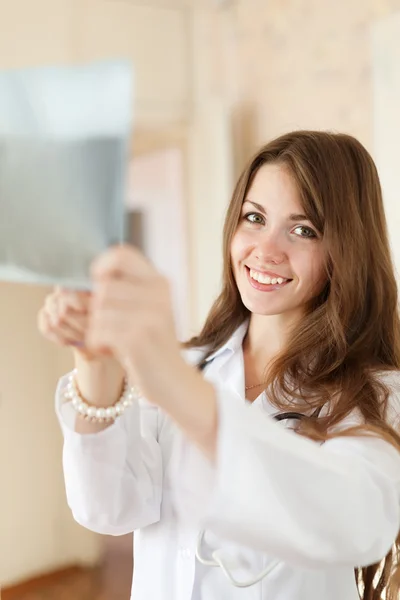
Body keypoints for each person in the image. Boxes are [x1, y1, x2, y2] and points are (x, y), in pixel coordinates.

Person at [38, 130, 400, 600]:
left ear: (345, 251)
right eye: (255, 218)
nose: (265, 251)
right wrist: (96, 363)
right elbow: (110, 508)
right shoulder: (190, 365)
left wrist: (174, 384)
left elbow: (354, 523)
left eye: (303, 229)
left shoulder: (379, 395)